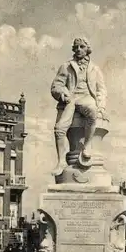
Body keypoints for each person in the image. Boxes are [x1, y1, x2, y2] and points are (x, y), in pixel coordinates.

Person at [51, 37, 107, 176]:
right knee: (59, 129)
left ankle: (87, 146)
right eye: (76, 47)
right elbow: (56, 85)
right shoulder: (66, 66)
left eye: (82, 46)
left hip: (87, 98)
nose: (78, 49)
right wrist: (62, 93)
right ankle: (61, 162)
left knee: (93, 112)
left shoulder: (95, 68)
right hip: (70, 99)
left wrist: (101, 105)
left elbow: (101, 89)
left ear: (88, 48)